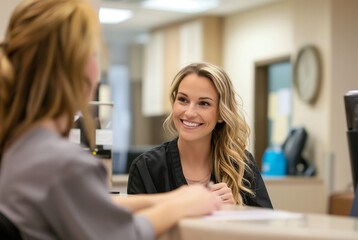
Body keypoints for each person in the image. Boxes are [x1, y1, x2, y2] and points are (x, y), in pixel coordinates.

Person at [0, 1, 220, 239]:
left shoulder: (20, 148)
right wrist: (180, 206)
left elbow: (89, 207)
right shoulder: (64, 163)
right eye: (92, 54)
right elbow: (122, 235)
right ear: (74, 67)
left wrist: (170, 198)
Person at [128, 62, 273, 208]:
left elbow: (265, 227)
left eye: (204, 103)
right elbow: (138, 228)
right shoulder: (147, 167)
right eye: (183, 100)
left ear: (221, 114)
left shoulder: (241, 165)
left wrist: (234, 211)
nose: (190, 113)